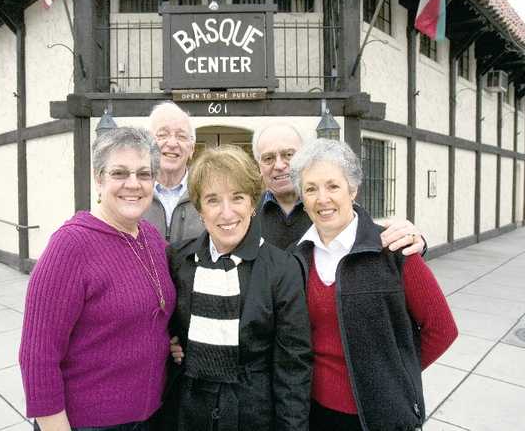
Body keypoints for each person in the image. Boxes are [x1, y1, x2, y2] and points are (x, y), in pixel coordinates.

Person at [289, 139, 458, 431]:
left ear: (352, 190)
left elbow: (442, 329)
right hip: (313, 412)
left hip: (380, 415)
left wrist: (397, 374)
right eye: (311, 188)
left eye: (333, 186)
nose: (322, 198)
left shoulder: (393, 249)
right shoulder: (297, 257)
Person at [19, 127, 176, 431]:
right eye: (120, 172)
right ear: (99, 178)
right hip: (88, 423)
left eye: (144, 174)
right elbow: (38, 356)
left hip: (150, 415)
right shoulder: (71, 245)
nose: (133, 184)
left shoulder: (152, 239)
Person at [161, 145, 312, 431]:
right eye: (213, 200)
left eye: (238, 198)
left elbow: (293, 366)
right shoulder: (179, 259)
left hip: (254, 415)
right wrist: (167, 343)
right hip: (187, 414)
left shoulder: (281, 269)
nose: (227, 212)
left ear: (252, 203)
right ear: (199, 208)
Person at [252, 123, 426, 253]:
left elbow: (376, 241)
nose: (279, 165)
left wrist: (413, 241)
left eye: (289, 154)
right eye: (268, 158)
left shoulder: (334, 208)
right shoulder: (246, 216)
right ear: (259, 166)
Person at [144, 101, 204, 242]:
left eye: (181, 136)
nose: (172, 144)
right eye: (162, 135)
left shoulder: (206, 193)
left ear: (192, 149)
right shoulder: (133, 193)